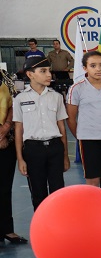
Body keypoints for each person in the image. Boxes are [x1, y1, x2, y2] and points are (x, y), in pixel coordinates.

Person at [12, 56, 69, 210]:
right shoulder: (20, 99)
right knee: (38, 193)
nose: (49, 75)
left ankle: (58, 223)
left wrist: (65, 156)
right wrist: (20, 159)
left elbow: (62, 128)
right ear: (30, 74)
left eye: (49, 71)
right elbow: (19, 129)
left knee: (58, 192)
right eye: (43, 71)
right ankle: (41, 224)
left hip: (55, 148)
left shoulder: (57, 97)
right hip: (33, 149)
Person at [66, 51, 101, 197]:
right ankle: (94, 211)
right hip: (88, 140)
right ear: (85, 68)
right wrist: (81, 136)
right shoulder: (76, 89)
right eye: (93, 65)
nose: (98, 69)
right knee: (93, 182)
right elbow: (71, 118)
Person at [0, 77, 27, 245]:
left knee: (4, 188)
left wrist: (5, 128)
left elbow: (14, 104)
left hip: (6, 142)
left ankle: (6, 230)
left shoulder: (5, 78)